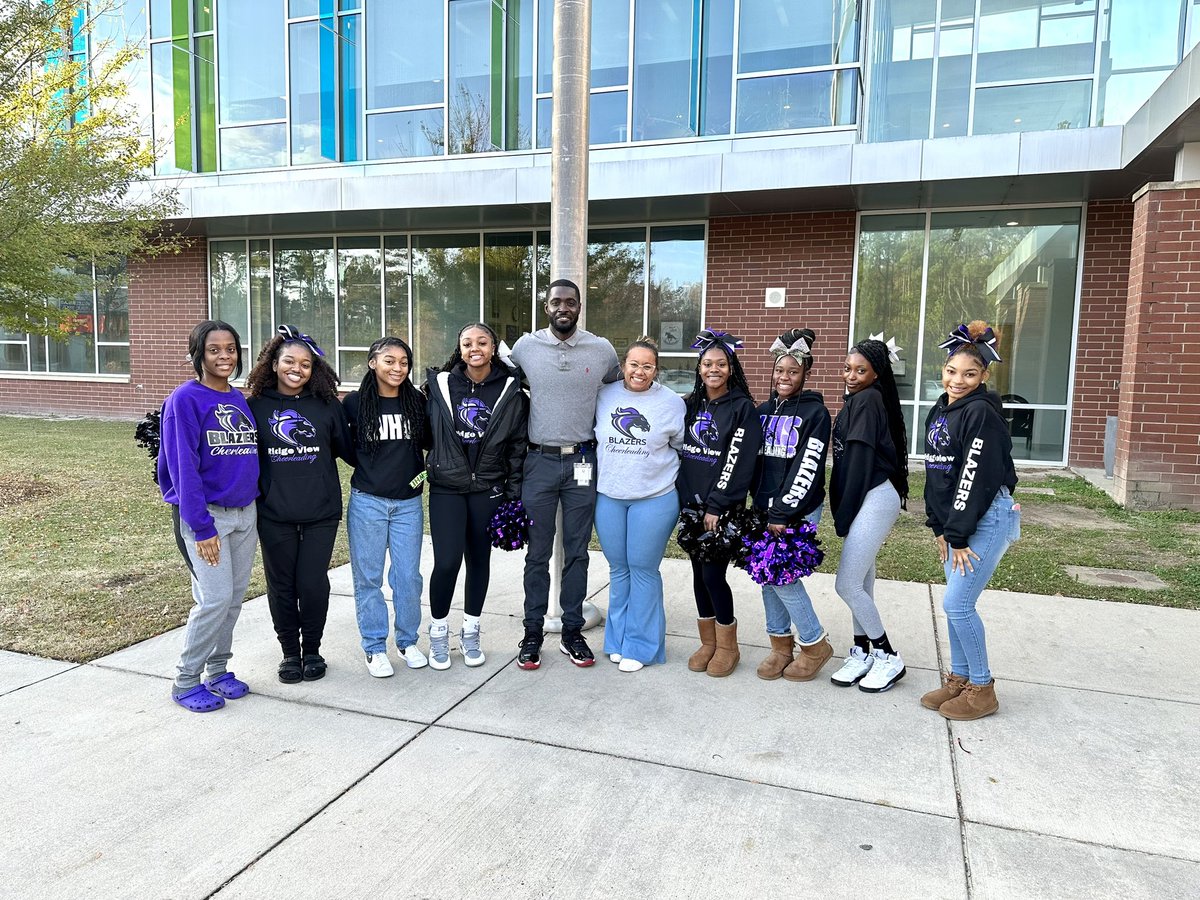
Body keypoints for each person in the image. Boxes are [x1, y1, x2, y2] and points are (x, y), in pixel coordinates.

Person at [509, 278, 620, 671]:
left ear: (579, 307)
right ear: (546, 307)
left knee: (577, 551)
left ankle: (573, 631)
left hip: (582, 463)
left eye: (570, 302)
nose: (563, 308)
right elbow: (500, 381)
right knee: (537, 553)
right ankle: (533, 632)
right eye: (556, 301)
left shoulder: (602, 350)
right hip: (538, 462)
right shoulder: (525, 348)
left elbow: (617, 388)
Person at [158, 320, 259, 712]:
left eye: (230, 349)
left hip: (245, 514)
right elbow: (184, 468)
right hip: (208, 518)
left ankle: (217, 671)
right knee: (214, 600)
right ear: (198, 354)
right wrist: (200, 526)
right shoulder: (184, 400)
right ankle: (186, 680)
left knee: (233, 599)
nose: (224, 356)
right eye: (214, 349)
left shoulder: (238, 398)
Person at [921, 321, 1020, 721]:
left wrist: (958, 534)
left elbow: (974, 477)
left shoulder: (980, 413)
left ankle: (982, 688)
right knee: (956, 605)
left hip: (986, 516)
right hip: (957, 521)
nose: (957, 380)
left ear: (984, 376)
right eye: (951, 371)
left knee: (958, 604)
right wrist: (940, 527)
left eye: (969, 374)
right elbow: (935, 471)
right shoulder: (941, 409)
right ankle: (959, 680)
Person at [246, 325, 352, 685]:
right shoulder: (254, 408)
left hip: (321, 513)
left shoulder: (326, 407)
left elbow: (352, 452)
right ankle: (290, 652)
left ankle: (313, 651)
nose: (297, 369)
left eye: (305, 364)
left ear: (314, 369)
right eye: (289, 361)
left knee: (312, 584)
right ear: (273, 364)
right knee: (281, 586)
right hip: (274, 514)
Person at [424, 322, 528, 670]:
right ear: (460, 348)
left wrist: (512, 495)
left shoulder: (512, 390)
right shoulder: (439, 385)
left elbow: (516, 448)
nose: (474, 348)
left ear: (493, 347)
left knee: (479, 562)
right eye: (467, 342)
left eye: (482, 342)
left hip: (488, 489)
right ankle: (438, 631)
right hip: (447, 489)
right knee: (448, 562)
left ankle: (471, 631)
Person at [593, 336, 686, 673]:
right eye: (634, 364)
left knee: (643, 570)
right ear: (623, 366)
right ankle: (617, 640)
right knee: (618, 569)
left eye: (648, 366)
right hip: (610, 497)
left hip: (654, 498)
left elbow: (679, 444)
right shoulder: (604, 396)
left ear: (656, 370)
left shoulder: (672, 403)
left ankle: (642, 646)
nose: (640, 371)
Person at [676, 329, 762, 678]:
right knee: (698, 575)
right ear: (699, 369)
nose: (714, 369)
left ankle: (729, 647)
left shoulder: (742, 408)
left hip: (720, 510)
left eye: (721, 364)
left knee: (713, 576)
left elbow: (740, 461)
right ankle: (708, 643)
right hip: (691, 506)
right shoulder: (690, 404)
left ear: (731, 368)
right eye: (707, 363)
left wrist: (717, 504)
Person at [828, 337, 910, 693]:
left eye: (861, 370)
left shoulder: (866, 401)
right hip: (871, 495)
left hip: (872, 496)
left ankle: (888, 655)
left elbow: (858, 464)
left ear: (877, 373)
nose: (852, 375)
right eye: (848, 368)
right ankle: (862, 652)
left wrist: (844, 513)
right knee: (860, 583)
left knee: (845, 583)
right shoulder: (862, 399)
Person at [751, 329, 833, 682]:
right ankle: (780, 645)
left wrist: (783, 510)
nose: (784, 378)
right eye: (780, 371)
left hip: (795, 509)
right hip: (764, 507)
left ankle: (814, 643)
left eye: (793, 372)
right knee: (766, 577)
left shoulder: (816, 413)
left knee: (782, 576)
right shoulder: (764, 410)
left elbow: (809, 464)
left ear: (806, 374)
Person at [343, 336, 428, 678]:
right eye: (389, 360)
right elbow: (346, 447)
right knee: (369, 577)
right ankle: (375, 647)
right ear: (372, 363)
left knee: (408, 576)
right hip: (368, 503)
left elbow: (427, 443)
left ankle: (407, 641)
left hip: (408, 504)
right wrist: (370, 471)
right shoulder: (354, 403)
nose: (397, 367)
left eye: (404, 362)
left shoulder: (416, 402)